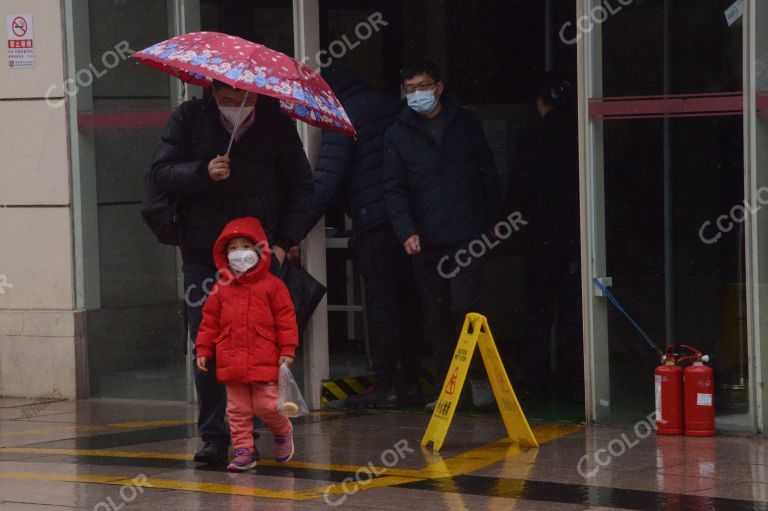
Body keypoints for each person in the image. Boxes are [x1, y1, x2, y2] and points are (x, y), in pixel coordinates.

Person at [150, 81, 313, 465]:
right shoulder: (189, 118)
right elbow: (162, 173)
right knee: (208, 345)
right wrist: (203, 173)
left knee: (256, 344)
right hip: (204, 256)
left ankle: (255, 431)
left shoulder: (276, 125)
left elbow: (301, 187)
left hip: (256, 260)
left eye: (240, 97)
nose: (231, 103)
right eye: (223, 95)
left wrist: (283, 240)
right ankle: (215, 437)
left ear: (255, 96)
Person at [383, 60, 503, 410]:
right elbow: (394, 189)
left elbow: (487, 173)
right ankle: (449, 391)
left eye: (423, 86)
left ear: (439, 87)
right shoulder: (397, 133)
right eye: (410, 89)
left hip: (469, 233)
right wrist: (406, 230)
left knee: (465, 308)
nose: (417, 94)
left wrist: (494, 220)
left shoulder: (465, 123)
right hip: (426, 240)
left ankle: (479, 378)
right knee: (435, 316)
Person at [304, 66, 422, 408]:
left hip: (375, 222)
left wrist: (291, 232)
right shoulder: (390, 106)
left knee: (383, 304)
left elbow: (326, 181)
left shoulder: (342, 115)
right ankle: (411, 381)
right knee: (410, 302)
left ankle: (386, 386)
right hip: (409, 222)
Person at [195, 217, 297, 471]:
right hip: (231, 359)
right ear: (224, 254)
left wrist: (287, 349)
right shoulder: (221, 288)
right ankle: (243, 451)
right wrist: (203, 350)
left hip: (264, 357)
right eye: (232, 248)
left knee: (266, 405)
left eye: (245, 246)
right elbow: (209, 322)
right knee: (237, 410)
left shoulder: (273, 286)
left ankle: (283, 431)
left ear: (259, 251)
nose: (239, 253)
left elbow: (286, 319)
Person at [508, 72, 583, 401]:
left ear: (541, 104)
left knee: (538, 314)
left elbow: (518, 191)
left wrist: (512, 222)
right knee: (573, 313)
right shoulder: (581, 136)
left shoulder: (530, 137)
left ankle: (535, 380)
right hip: (575, 237)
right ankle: (576, 379)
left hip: (539, 239)